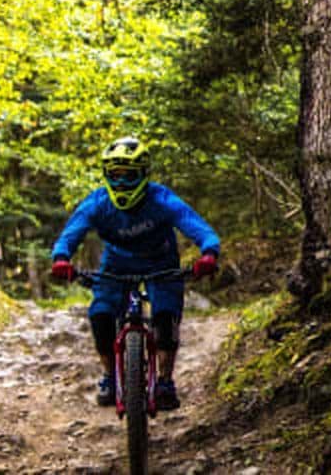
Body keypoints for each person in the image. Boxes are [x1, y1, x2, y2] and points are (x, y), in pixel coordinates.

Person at [50, 137, 220, 410]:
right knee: (101, 315)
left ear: (142, 174)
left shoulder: (162, 199)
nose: (120, 184)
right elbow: (72, 232)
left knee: (165, 316)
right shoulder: (98, 203)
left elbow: (196, 226)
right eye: (114, 176)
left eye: (128, 176)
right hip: (116, 265)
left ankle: (165, 380)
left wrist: (209, 253)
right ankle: (109, 376)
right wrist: (61, 259)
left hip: (161, 263)